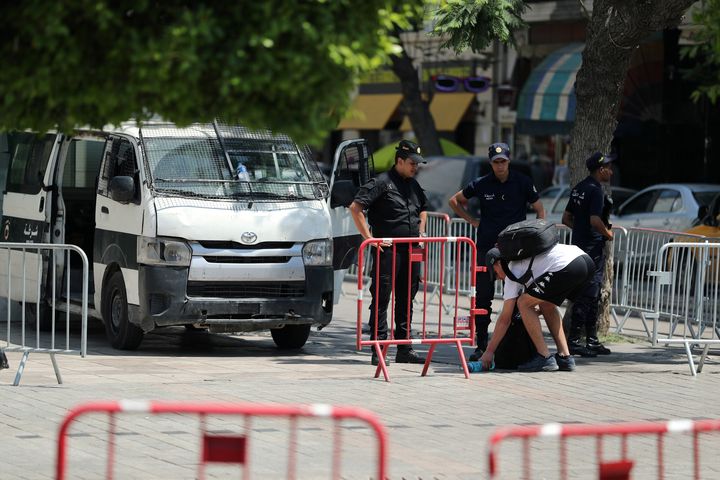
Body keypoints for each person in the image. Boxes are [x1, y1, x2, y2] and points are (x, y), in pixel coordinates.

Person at [448, 142, 545, 361]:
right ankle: (481, 344)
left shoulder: (522, 182)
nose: (499, 166)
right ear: (491, 163)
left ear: (508, 161)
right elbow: (454, 201)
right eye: (495, 162)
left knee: (519, 298)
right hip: (486, 247)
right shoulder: (481, 183)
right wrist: (472, 221)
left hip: (515, 249)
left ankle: (519, 345)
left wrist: (534, 237)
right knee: (483, 297)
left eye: (503, 162)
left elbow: (540, 210)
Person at [349, 140, 429, 365]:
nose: (415, 167)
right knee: (382, 297)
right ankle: (378, 347)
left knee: (407, 298)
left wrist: (422, 231)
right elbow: (356, 208)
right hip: (389, 250)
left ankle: (404, 348)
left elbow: (423, 209)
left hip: (411, 249)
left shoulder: (413, 185)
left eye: (418, 164)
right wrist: (369, 239)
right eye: (412, 163)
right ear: (400, 161)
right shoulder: (381, 183)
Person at [479, 243, 595, 372]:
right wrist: (531, 313)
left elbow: (505, 319)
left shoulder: (512, 269)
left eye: (495, 273)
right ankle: (565, 357)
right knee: (546, 305)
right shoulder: (525, 256)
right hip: (585, 261)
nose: (499, 278)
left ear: (498, 263)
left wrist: (489, 352)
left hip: (566, 265)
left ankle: (544, 357)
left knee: (523, 303)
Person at [561, 152, 615, 357]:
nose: (611, 171)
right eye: (609, 168)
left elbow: (566, 218)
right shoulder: (595, 190)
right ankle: (574, 340)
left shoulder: (579, 188)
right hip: (592, 250)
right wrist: (607, 234)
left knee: (591, 295)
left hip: (579, 248)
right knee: (588, 294)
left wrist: (580, 231)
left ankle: (592, 340)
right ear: (601, 169)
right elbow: (595, 220)